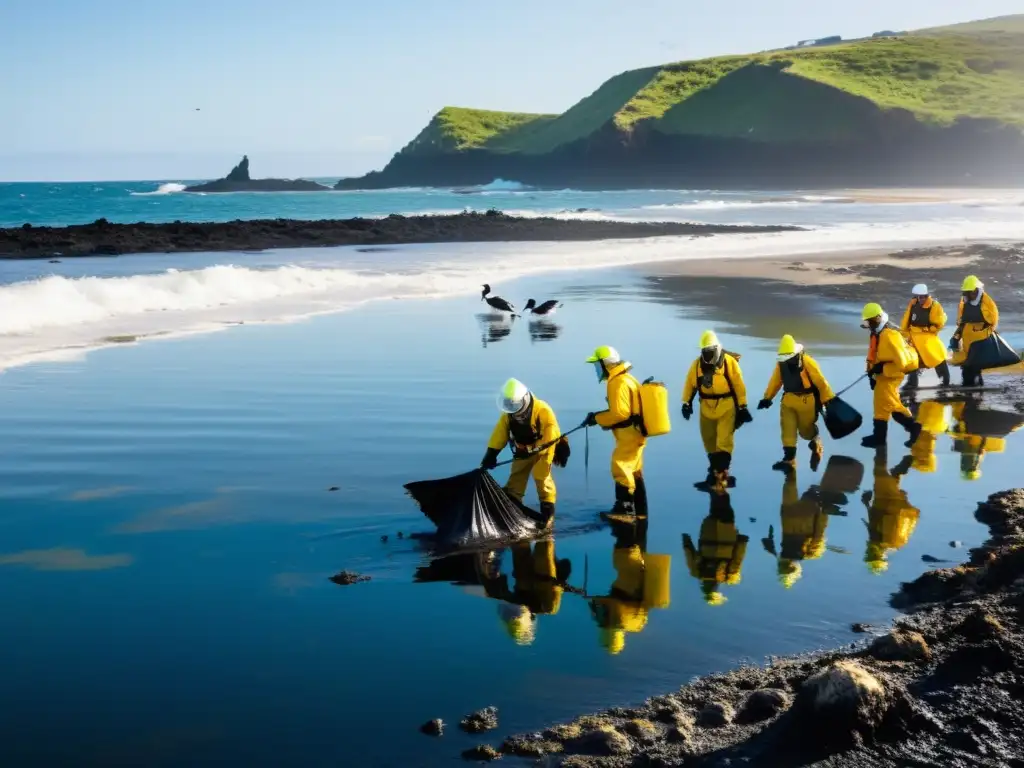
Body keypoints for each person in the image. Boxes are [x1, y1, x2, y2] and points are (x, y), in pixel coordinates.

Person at [481, 378, 560, 522]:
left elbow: (549, 438)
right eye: (509, 405)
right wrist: (491, 454)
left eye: (515, 405)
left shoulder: (543, 410)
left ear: (524, 399)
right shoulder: (508, 414)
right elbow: (500, 433)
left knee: (541, 476)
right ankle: (512, 507)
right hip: (522, 448)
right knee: (517, 475)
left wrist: (533, 450)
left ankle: (547, 511)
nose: (512, 408)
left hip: (544, 449)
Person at [681, 330, 751, 491]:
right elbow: (690, 384)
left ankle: (721, 476)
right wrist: (686, 403)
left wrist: (743, 406)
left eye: (709, 351)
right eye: (704, 351)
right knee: (709, 439)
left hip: (726, 405)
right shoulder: (697, 365)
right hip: (706, 406)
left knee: (724, 441)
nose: (706, 354)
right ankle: (714, 471)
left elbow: (739, 385)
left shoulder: (728, 363)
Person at [590, 518, 671, 655]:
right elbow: (597, 601)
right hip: (627, 563)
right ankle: (625, 510)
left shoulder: (636, 625)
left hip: (642, 568)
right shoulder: (613, 616)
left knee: (637, 531)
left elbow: (643, 612)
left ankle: (634, 511)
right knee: (623, 531)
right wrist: (596, 612)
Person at [583, 346, 647, 517]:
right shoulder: (626, 378)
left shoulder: (617, 382)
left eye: (597, 365)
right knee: (634, 469)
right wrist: (598, 417)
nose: (596, 369)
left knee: (620, 465)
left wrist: (597, 419)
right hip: (636, 432)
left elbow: (620, 413)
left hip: (629, 434)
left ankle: (625, 509)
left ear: (605, 364)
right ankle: (640, 509)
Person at [758, 334, 835, 473]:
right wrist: (767, 398)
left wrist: (828, 400)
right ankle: (789, 459)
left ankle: (815, 441)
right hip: (788, 399)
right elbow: (776, 381)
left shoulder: (807, 361)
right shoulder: (781, 364)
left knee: (805, 430)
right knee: (787, 428)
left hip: (807, 400)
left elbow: (821, 383)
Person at [860, 303, 922, 449]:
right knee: (880, 406)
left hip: (891, 376)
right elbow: (874, 356)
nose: (869, 324)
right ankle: (879, 437)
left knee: (891, 404)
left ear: (878, 318)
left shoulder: (890, 335)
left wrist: (882, 367)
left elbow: (903, 362)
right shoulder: (877, 333)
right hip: (882, 376)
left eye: (871, 321)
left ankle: (914, 427)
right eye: (867, 321)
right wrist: (871, 374)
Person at [762, 471, 829, 589]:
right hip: (798, 518)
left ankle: (790, 468)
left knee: (790, 487)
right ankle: (790, 469)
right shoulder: (809, 551)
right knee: (791, 487)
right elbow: (820, 529)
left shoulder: (809, 551)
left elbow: (821, 528)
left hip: (796, 518)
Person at [682, 492, 748, 606]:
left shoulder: (730, 575)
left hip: (727, 532)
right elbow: (688, 551)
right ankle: (716, 489)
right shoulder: (696, 572)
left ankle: (719, 487)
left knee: (725, 504)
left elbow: (738, 556)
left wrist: (742, 540)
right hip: (708, 531)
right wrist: (686, 539)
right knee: (715, 508)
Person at [862, 451, 920, 575]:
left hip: (902, 512)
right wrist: (867, 502)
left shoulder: (893, 545)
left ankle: (897, 473)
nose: (868, 552)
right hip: (886, 507)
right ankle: (880, 447)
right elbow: (874, 519)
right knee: (879, 473)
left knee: (892, 488)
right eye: (870, 554)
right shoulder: (876, 541)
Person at [950, 275, 999, 387]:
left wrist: (984, 332)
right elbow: (961, 321)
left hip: (981, 338)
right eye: (966, 292)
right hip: (968, 338)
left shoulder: (987, 302)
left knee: (972, 364)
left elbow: (993, 321)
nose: (968, 295)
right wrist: (956, 336)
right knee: (967, 364)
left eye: (970, 292)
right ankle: (973, 387)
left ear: (976, 290)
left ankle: (971, 387)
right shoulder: (964, 302)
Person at [900, 284, 950, 389]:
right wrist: (904, 333)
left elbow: (939, 324)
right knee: (911, 358)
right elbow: (906, 320)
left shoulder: (934, 305)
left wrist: (929, 329)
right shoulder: (913, 304)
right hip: (913, 336)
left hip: (927, 336)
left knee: (937, 355)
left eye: (923, 297)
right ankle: (912, 382)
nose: (921, 299)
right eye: (919, 297)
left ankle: (945, 380)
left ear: (927, 295)